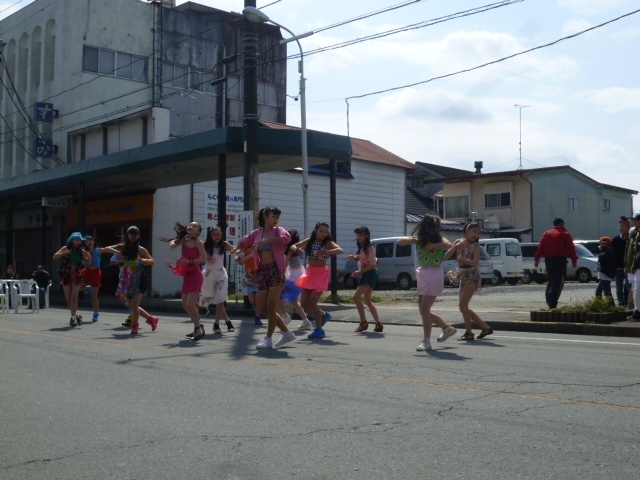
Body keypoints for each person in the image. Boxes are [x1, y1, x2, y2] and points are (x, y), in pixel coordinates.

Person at [236, 206, 297, 349]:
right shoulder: (257, 233)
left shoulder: (278, 231)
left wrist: (269, 241)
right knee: (262, 308)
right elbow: (245, 241)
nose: (275, 220)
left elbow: (287, 238)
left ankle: (268, 338)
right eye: (273, 216)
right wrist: (237, 249)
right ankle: (287, 333)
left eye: (277, 217)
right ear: (265, 216)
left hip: (276, 270)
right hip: (262, 271)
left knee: (271, 305)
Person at [397, 215, 456, 351]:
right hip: (423, 273)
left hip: (434, 273)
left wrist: (432, 245)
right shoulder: (420, 240)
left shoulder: (440, 239)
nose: (435, 229)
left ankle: (426, 341)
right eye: (432, 226)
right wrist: (416, 240)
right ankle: (447, 329)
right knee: (423, 310)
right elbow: (400, 242)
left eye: (436, 226)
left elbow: (449, 245)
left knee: (424, 309)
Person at [444, 222, 494, 341]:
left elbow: (476, 263)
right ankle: (485, 328)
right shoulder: (458, 242)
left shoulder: (476, 247)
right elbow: (446, 256)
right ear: (467, 231)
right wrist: (455, 247)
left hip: (472, 275)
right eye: (474, 232)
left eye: (478, 233)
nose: (476, 235)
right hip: (463, 275)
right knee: (463, 307)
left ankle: (469, 333)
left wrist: (462, 259)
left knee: (463, 305)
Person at [295, 221, 344, 340]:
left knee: (313, 303)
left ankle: (319, 329)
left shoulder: (328, 243)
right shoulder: (309, 241)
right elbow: (295, 245)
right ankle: (323, 314)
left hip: (321, 274)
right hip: (309, 273)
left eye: (326, 232)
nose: (323, 234)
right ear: (316, 231)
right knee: (304, 304)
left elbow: (340, 250)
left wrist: (326, 252)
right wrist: (297, 249)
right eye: (321, 231)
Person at [108, 226, 157, 335]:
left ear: (138, 236)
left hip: (139, 279)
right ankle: (151, 319)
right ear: (128, 235)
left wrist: (143, 260)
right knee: (131, 306)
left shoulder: (141, 249)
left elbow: (152, 261)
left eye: (135, 234)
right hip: (127, 278)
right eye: (131, 233)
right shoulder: (123, 248)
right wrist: (117, 247)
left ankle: (135, 327)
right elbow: (108, 249)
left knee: (134, 304)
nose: (133, 236)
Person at [163, 222, 207, 341]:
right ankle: (199, 326)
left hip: (195, 276)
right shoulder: (184, 239)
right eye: (189, 225)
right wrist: (172, 244)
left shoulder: (198, 243)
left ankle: (198, 328)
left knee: (189, 304)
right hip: (187, 276)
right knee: (184, 305)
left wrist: (189, 261)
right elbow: (175, 242)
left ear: (198, 232)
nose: (190, 227)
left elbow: (203, 259)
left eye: (194, 226)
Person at [346, 226, 384, 333]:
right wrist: (354, 257)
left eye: (361, 235)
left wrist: (360, 272)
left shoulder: (369, 247)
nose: (359, 237)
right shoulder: (364, 247)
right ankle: (378, 324)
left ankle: (363, 323)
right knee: (367, 300)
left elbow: (373, 264)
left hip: (369, 273)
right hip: (368, 273)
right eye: (358, 235)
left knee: (356, 297)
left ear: (367, 235)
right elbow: (363, 257)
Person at [534, 218, 578, 309]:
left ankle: (548, 298)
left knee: (551, 280)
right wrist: (574, 260)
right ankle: (552, 302)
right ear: (561, 224)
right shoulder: (565, 234)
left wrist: (537, 259)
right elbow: (571, 248)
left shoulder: (546, 233)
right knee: (558, 282)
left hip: (548, 260)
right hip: (560, 260)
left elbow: (540, 247)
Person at [200, 226, 235, 334]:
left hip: (221, 273)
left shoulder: (224, 244)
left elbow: (235, 249)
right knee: (209, 299)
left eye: (218, 234)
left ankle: (216, 325)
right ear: (210, 236)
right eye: (214, 234)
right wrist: (206, 256)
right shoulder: (204, 244)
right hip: (209, 274)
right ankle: (228, 322)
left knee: (220, 300)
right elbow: (196, 251)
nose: (216, 236)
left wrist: (233, 251)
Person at [53, 232, 91, 327]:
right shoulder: (65, 248)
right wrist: (65, 253)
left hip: (76, 274)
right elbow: (54, 257)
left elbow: (89, 260)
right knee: (68, 299)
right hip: (66, 275)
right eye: (77, 240)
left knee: (74, 297)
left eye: (79, 240)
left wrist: (85, 261)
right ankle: (76, 315)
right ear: (72, 240)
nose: (79, 242)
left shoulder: (81, 251)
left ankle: (73, 318)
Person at [279, 229, 312, 330]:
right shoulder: (294, 248)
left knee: (279, 295)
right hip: (296, 273)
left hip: (295, 275)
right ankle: (306, 321)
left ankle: (285, 316)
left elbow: (285, 263)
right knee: (293, 300)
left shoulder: (291, 249)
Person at [81, 236, 119, 322]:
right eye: (87, 241)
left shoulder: (98, 250)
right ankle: (87, 288)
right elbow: (79, 260)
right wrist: (83, 261)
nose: (89, 242)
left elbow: (107, 249)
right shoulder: (83, 252)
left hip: (95, 273)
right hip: (86, 272)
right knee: (79, 287)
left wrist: (117, 251)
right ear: (85, 244)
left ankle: (96, 313)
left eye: (90, 240)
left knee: (94, 295)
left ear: (93, 242)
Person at [235, 247, 262, 325]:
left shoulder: (259, 248)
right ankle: (260, 311)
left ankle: (257, 317)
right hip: (249, 279)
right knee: (252, 302)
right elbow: (240, 262)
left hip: (259, 277)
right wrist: (250, 255)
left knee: (257, 300)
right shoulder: (245, 250)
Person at [624, 213, 640, 320]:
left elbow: (638, 252)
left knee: (638, 290)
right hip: (633, 266)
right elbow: (628, 251)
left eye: (636, 220)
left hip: (638, 266)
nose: (634, 222)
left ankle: (638, 311)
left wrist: (634, 265)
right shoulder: (633, 233)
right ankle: (637, 310)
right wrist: (627, 265)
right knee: (635, 290)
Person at [612, 216, 631, 308]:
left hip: (628, 268)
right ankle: (621, 304)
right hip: (618, 268)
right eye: (620, 226)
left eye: (623, 226)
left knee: (629, 287)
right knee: (619, 288)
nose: (621, 228)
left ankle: (629, 304)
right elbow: (612, 253)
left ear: (628, 227)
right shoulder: (615, 240)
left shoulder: (631, 239)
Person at [595, 236, 616, 303]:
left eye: (603, 243)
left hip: (606, 275)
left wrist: (602, 251)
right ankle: (600, 306)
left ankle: (612, 306)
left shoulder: (609, 251)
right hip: (602, 274)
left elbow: (602, 259)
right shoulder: (604, 251)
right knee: (598, 292)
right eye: (601, 243)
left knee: (607, 292)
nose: (601, 244)